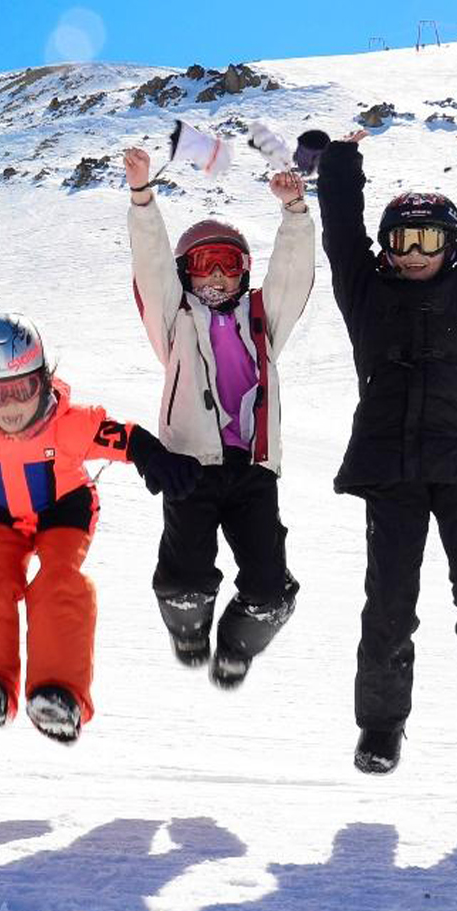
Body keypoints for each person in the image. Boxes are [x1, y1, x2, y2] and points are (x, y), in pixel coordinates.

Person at [315, 129, 457, 775]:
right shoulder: (366, 296)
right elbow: (338, 237)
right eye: (403, 242)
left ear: (451, 246)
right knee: (388, 606)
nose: (415, 255)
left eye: (429, 241)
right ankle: (382, 727)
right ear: (386, 249)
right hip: (391, 472)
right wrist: (339, 161)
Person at [0, 314, 201, 744]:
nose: (10, 408)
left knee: (59, 582)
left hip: (64, 511)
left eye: (22, 390)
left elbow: (123, 436)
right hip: (1, 514)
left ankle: (60, 691)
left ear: (43, 381)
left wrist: (157, 459)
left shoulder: (66, 423)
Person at [123, 146, 317, 689]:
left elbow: (293, 279)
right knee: (186, 573)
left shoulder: (261, 318)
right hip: (190, 463)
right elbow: (151, 264)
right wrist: (142, 197)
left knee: (269, 585)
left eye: (227, 265)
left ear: (244, 272)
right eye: (203, 265)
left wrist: (296, 215)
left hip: (254, 469)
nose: (215, 276)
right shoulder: (175, 320)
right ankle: (187, 628)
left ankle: (237, 644)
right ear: (186, 273)